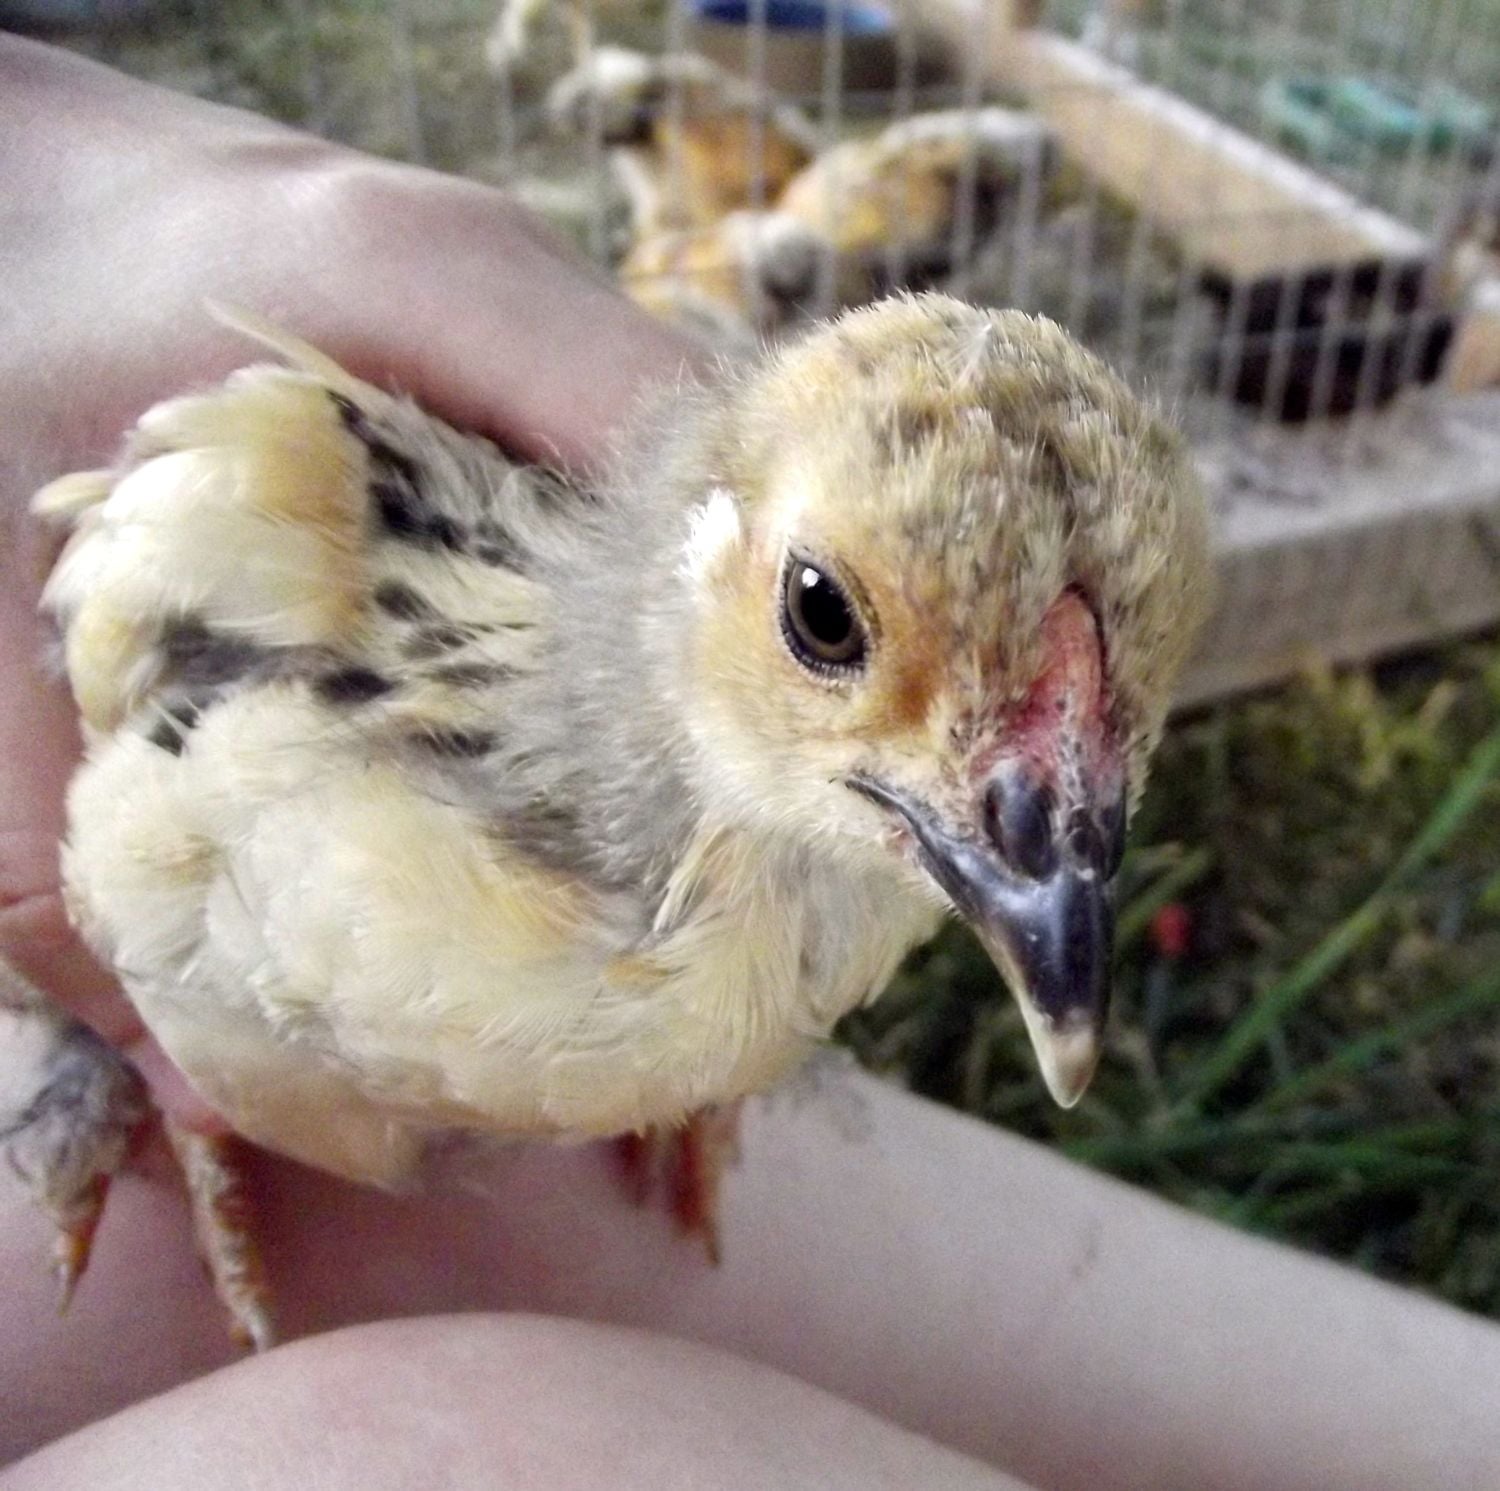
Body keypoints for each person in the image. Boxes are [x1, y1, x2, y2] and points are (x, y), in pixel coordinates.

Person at [3, 34, 1499, 1491]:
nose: (1043, 844)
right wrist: (123, 1036)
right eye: (831, 624)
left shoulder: (859, 838)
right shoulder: (277, 660)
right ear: (716, 558)